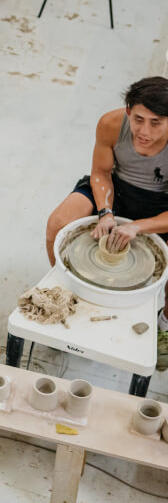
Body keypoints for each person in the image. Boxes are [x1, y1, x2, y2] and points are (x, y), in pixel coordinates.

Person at [45, 76, 168, 368]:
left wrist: (137, 226)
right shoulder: (111, 124)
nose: (144, 131)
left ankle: (164, 324)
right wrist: (106, 212)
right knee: (58, 223)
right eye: (138, 119)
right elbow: (100, 172)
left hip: (159, 205)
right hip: (114, 188)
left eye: (156, 122)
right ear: (128, 111)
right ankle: (65, 293)